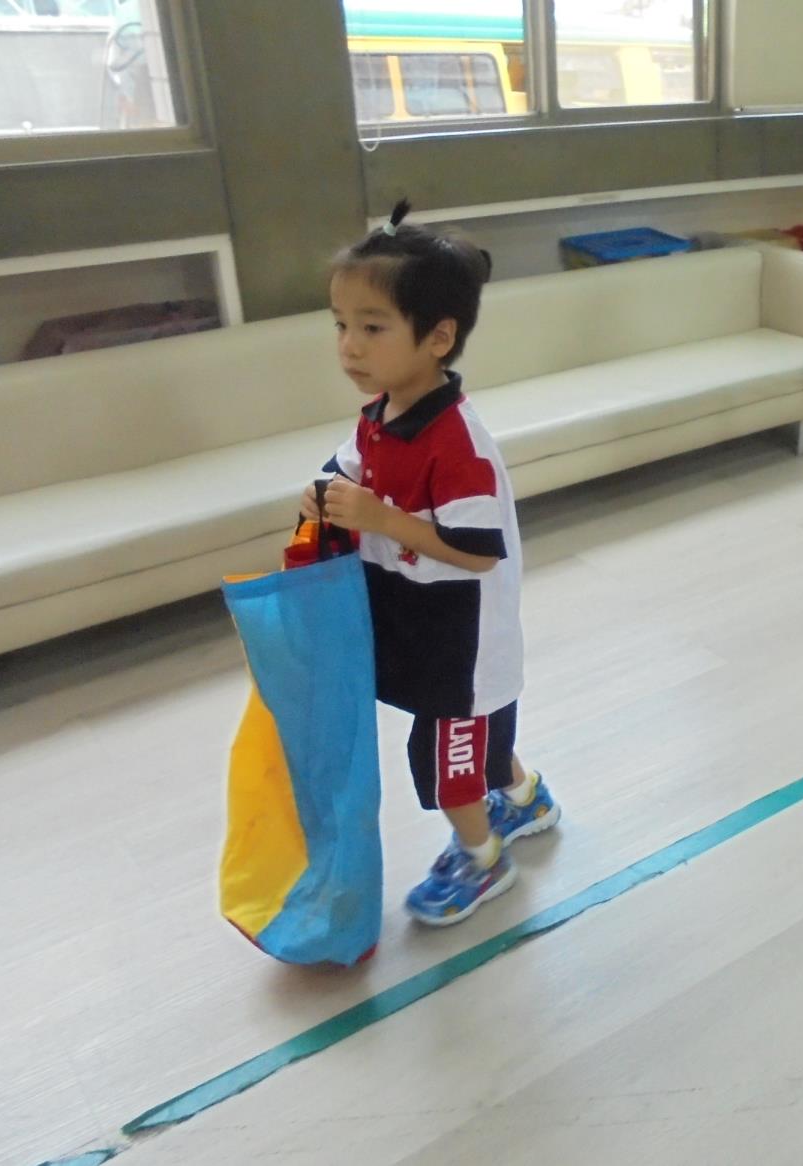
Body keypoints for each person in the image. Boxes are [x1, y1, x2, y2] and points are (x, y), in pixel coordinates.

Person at [305, 199, 559, 925]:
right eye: (341, 325)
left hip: (463, 646)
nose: (349, 347)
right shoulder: (383, 413)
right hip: (423, 626)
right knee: (481, 742)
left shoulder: (457, 444)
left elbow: (475, 551)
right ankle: (524, 800)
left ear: (438, 337)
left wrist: (381, 518)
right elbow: (350, 467)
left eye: (372, 327)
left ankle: (482, 858)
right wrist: (324, 491)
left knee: (448, 767)